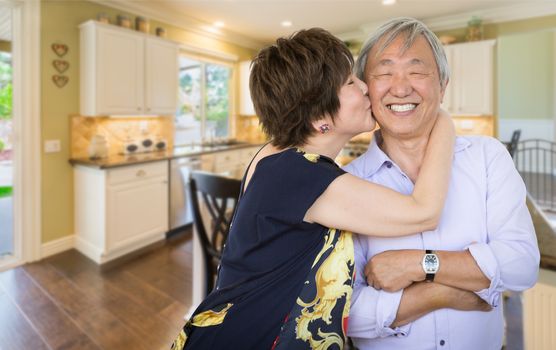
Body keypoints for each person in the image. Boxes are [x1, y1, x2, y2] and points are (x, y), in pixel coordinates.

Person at [171, 27, 456, 350]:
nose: (365, 87)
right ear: (320, 113)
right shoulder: (300, 176)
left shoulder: (275, 155)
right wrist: (441, 118)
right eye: (350, 82)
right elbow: (424, 212)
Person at [345, 17, 540, 350]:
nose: (401, 87)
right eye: (384, 72)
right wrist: (438, 292)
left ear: (443, 85)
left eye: (417, 71)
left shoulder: (487, 157)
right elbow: (344, 314)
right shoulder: (347, 184)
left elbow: (521, 265)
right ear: (366, 88)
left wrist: (418, 264)